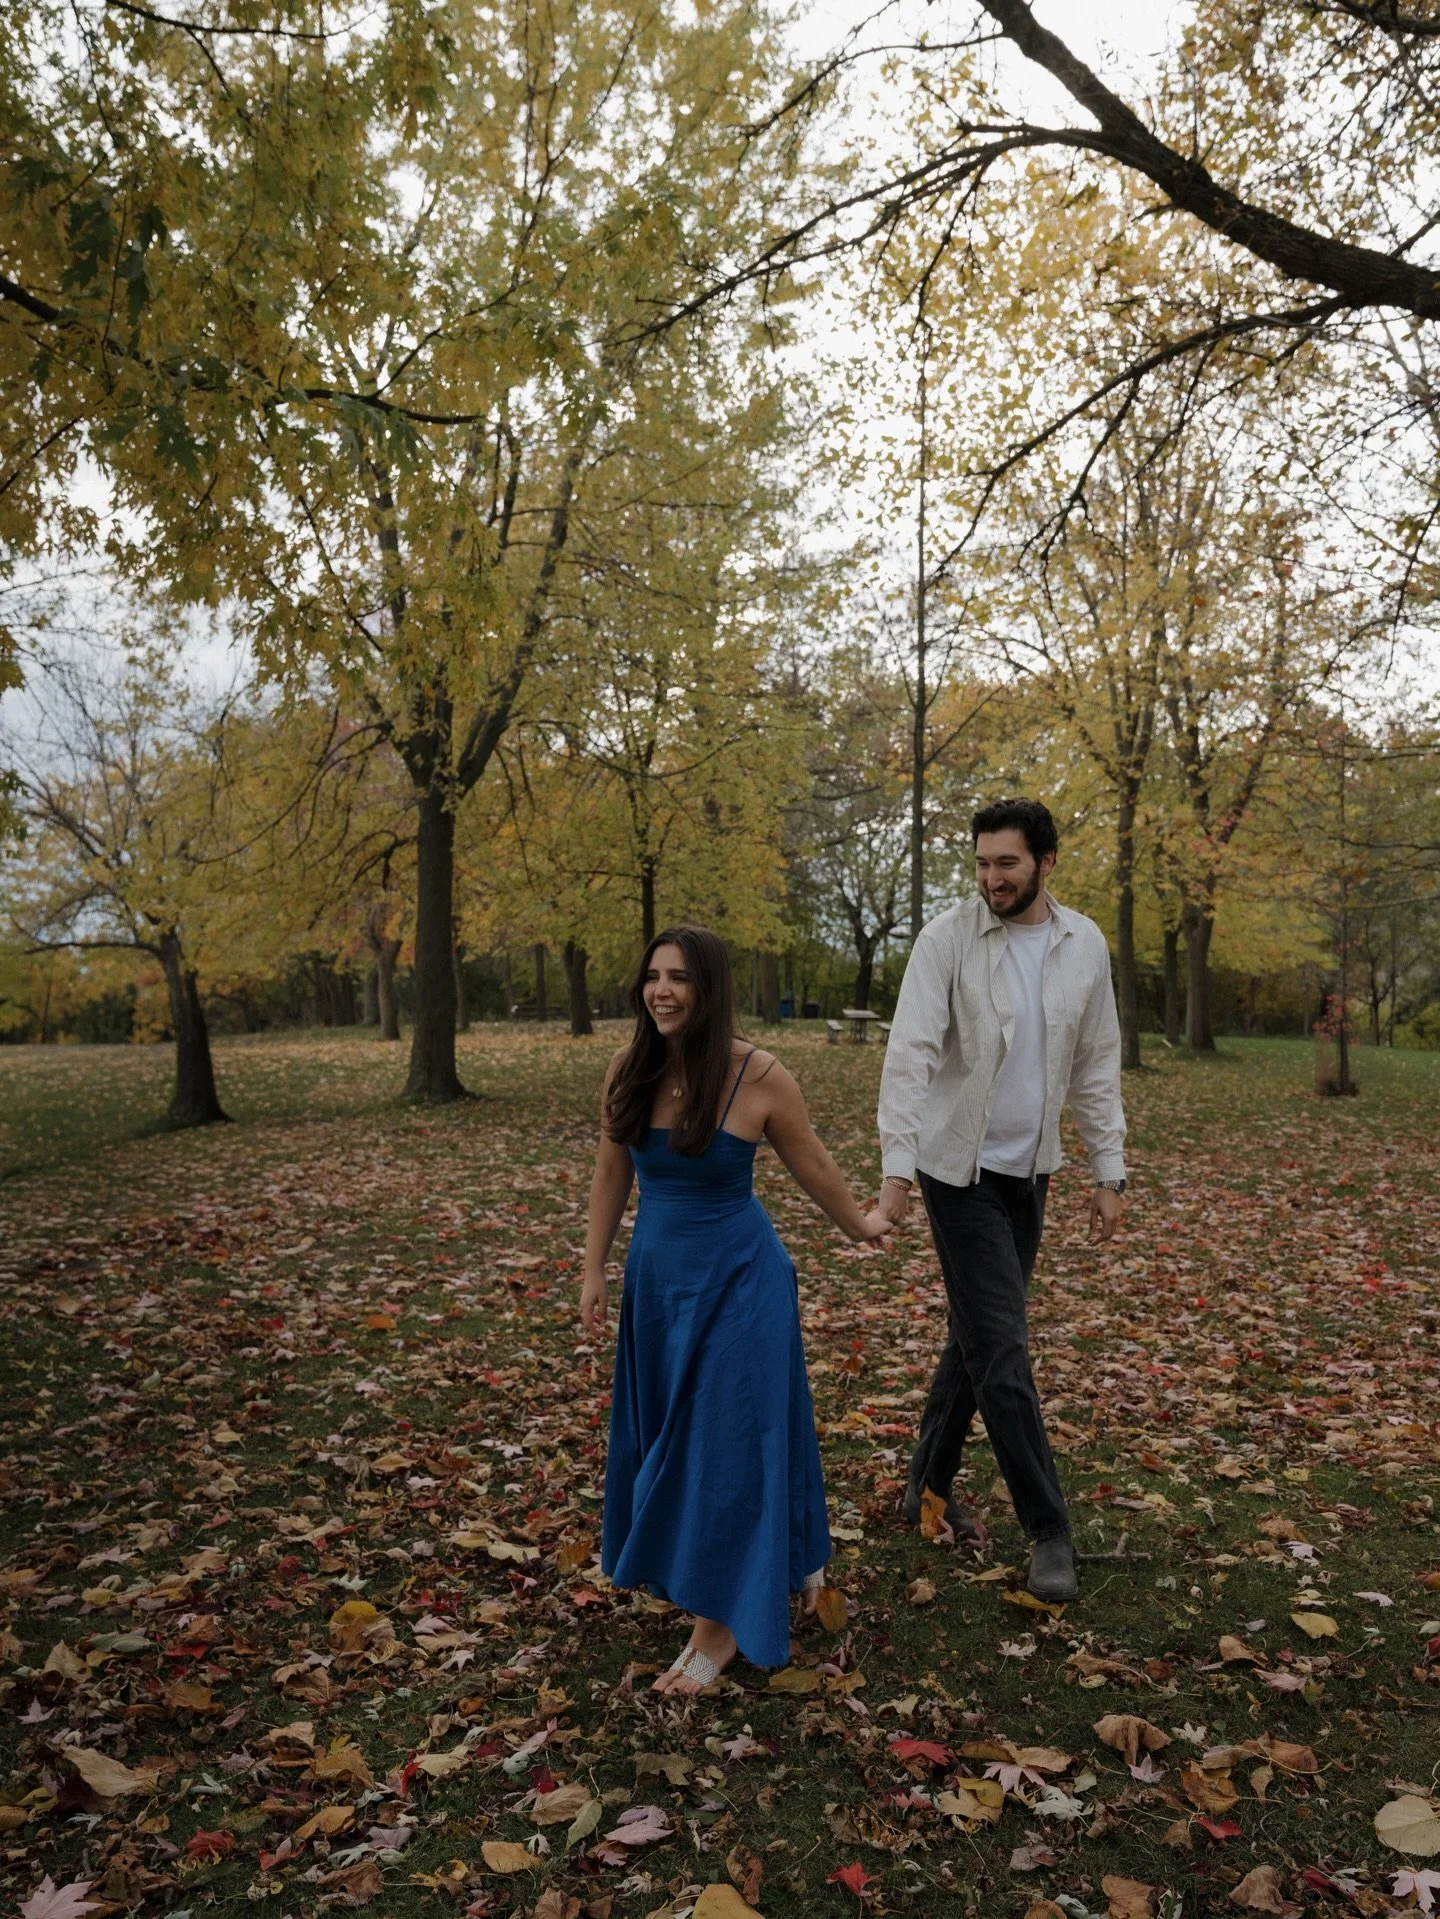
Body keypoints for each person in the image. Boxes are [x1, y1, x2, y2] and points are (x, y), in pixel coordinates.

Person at [582, 925, 889, 1693]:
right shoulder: (630, 1066)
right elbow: (612, 1169)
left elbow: (813, 1162)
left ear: (709, 988)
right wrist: (592, 1267)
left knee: (721, 1446)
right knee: (673, 1443)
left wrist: (866, 1221)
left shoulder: (760, 1076)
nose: (661, 990)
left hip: (741, 1287)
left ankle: (715, 1631)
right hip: (659, 1290)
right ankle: (778, 1556)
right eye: (653, 975)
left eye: (679, 977)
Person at [876, 798, 1128, 1603]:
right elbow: (910, 1052)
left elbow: (1096, 1059)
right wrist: (897, 1167)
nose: (991, 878)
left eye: (1007, 864)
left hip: (1031, 1174)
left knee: (977, 1341)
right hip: (960, 1174)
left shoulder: (1082, 942)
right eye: (983, 863)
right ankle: (1048, 1530)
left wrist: (1108, 1166)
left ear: (1045, 862)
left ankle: (924, 1489)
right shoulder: (948, 938)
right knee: (1004, 1351)